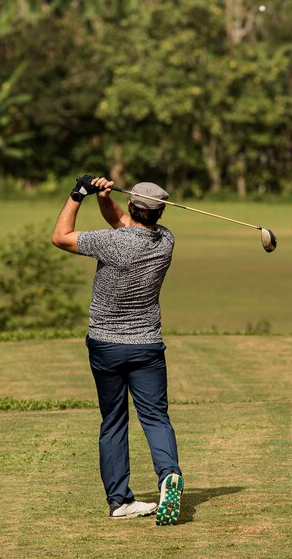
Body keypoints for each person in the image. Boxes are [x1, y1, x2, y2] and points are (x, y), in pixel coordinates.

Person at [52, 175, 183, 524]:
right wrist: (104, 198)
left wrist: (79, 194)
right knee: (156, 417)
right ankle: (169, 474)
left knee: (113, 421)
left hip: (106, 345)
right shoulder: (166, 240)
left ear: (132, 206)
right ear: (159, 213)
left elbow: (60, 237)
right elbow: (125, 224)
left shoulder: (112, 242)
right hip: (148, 347)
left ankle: (120, 501)